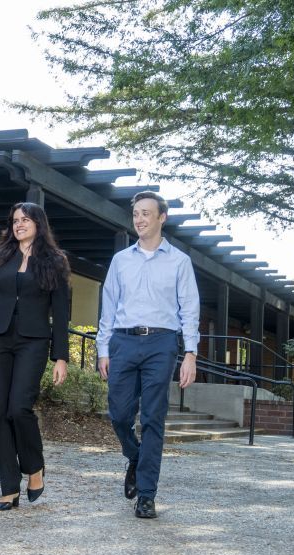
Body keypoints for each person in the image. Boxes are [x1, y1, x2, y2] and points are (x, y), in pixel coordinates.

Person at [96, 191, 199, 519]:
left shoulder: (180, 261)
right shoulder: (121, 260)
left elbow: (190, 311)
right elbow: (108, 306)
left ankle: (147, 495)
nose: (139, 219)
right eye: (136, 213)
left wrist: (191, 354)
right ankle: (136, 457)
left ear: (161, 218)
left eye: (146, 213)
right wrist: (102, 349)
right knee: (119, 415)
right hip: (123, 343)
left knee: (154, 418)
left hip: (161, 344)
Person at [0, 202, 69, 511]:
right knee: (0, 414)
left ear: (39, 222)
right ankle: (9, 487)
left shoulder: (55, 261)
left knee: (19, 408)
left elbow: (61, 314)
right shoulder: (1, 258)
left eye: (25, 220)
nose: (19, 225)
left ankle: (34, 467)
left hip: (33, 341)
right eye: (15, 221)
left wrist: (60, 357)